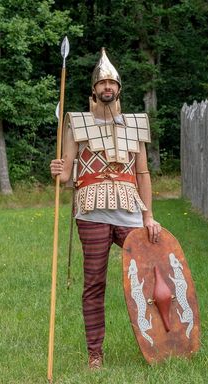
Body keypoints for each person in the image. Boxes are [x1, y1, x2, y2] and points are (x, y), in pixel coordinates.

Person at [50, 48, 162, 369]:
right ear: (94, 90)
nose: (107, 88)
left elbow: (142, 174)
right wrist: (58, 171)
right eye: (102, 83)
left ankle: (157, 342)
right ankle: (95, 354)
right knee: (95, 282)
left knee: (150, 274)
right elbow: (67, 170)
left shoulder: (136, 124)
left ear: (119, 88)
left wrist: (149, 216)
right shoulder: (77, 124)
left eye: (112, 83)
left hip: (129, 209)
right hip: (91, 213)